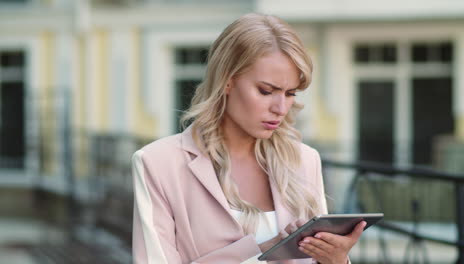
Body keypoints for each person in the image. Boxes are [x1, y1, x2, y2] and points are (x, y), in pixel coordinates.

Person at [132, 13, 366, 264]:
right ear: (227, 82)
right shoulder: (158, 164)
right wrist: (266, 250)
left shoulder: (305, 161)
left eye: (290, 93)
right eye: (266, 91)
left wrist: (335, 259)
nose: (281, 108)